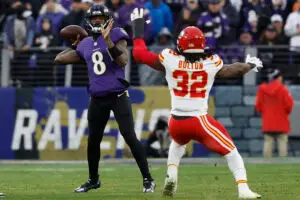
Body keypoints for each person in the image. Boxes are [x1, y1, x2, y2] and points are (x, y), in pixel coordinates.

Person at [130, 8, 262, 199]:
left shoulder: (170, 59)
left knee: (177, 144)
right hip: (199, 121)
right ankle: (243, 190)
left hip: (176, 122)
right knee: (231, 151)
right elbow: (234, 70)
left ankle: (171, 177)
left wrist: (138, 29)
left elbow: (140, 54)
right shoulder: (211, 62)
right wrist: (250, 65)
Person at [54, 4, 155, 193]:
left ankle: (148, 178)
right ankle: (93, 180)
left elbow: (123, 61)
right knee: (93, 141)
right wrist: (77, 42)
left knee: (129, 136)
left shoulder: (117, 34)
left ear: (108, 19)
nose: (97, 21)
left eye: (100, 18)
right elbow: (59, 59)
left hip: (117, 95)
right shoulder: (85, 44)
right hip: (97, 98)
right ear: (88, 21)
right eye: (93, 19)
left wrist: (108, 41)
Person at [255, 69, 294, 157]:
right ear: (278, 78)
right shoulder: (283, 89)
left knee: (268, 142)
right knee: (282, 142)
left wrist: (266, 113)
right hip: (282, 120)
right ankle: (283, 164)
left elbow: (258, 105)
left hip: (268, 121)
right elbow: (289, 104)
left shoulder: (262, 89)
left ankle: (266, 165)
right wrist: (285, 113)